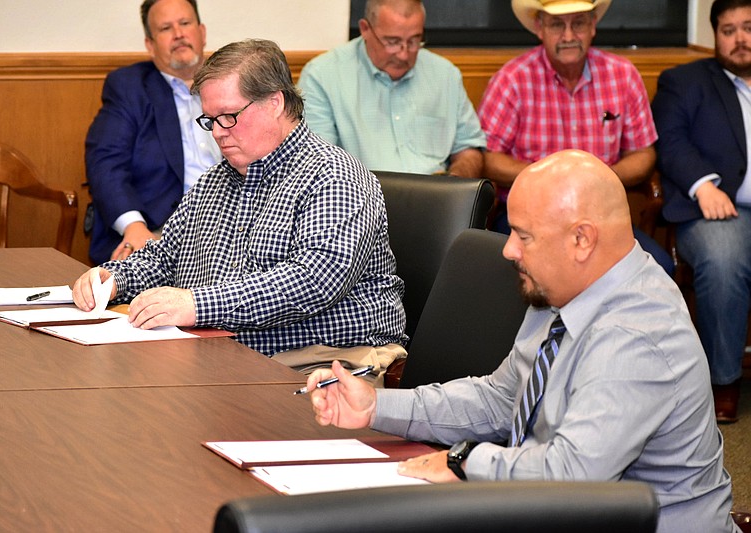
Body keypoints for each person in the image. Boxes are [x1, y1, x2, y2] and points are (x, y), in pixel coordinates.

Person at [307, 149, 738, 533]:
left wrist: (463, 462)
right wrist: (377, 405)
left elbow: (574, 474)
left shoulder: (637, 334)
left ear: (581, 239)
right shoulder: (559, 291)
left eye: (523, 235)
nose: (508, 250)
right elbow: (499, 401)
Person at [73, 39, 408, 382]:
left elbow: (313, 282)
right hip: (224, 354)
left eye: (229, 117)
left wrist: (196, 305)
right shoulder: (216, 181)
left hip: (325, 363)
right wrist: (115, 279)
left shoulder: (334, 176)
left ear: (275, 103)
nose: (218, 132)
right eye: (210, 120)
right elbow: (164, 258)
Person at [478, 0, 673, 275]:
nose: (568, 36)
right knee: (557, 271)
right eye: (557, 24)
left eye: (578, 23)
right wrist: (553, 179)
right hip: (531, 219)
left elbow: (644, 153)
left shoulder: (623, 75)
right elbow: (488, 158)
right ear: (539, 28)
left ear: (593, 26)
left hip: (602, 218)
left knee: (658, 269)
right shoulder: (512, 79)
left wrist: (598, 178)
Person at [652, 0, 751, 423]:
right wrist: (702, 185)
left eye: (748, 27)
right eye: (728, 30)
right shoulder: (685, 81)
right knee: (724, 259)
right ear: (715, 36)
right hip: (716, 209)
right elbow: (669, 140)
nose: (740, 39)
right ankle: (723, 380)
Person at [84, 0, 221, 265]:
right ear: (150, 44)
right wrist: (133, 226)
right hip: (158, 233)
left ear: (202, 32)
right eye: (166, 28)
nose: (179, 34)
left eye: (185, 23)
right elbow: (105, 163)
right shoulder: (129, 87)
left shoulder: (231, 82)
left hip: (232, 228)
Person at [297, 0, 486, 178]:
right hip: (361, 202)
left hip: (438, 202)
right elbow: (317, 163)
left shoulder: (446, 75)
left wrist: (454, 183)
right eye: (392, 42)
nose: (404, 54)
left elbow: (469, 148)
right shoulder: (322, 76)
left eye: (414, 41)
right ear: (365, 29)